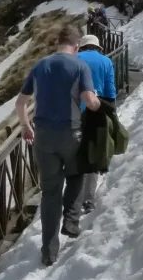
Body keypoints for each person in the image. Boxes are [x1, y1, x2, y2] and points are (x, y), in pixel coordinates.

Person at [16, 25, 100, 266]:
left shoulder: (40, 65)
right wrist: (98, 105)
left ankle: (48, 250)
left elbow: (21, 103)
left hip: (42, 137)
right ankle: (71, 220)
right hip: (70, 134)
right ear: (76, 46)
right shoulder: (80, 66)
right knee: (76, 174)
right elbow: (88, 100)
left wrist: (25, 126)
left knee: (50, 193)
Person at [75, 34, 116, 215]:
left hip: (75, 112)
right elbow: (110, 90)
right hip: (96, 111)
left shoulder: (74, 59)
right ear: (97, 47)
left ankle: (73, 197)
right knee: (93, 155)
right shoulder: (105, 61)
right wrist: (111, 112)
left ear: (82, 47)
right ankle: (88, 200)